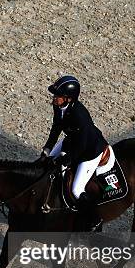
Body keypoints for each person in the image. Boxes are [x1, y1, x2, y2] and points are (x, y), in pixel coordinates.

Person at [41, 75, 109, 210]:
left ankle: (93, 219)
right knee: (47, 164)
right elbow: (56, 128)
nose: (54, 98)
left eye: (58, 95)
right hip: (73, 140)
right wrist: (47, 149)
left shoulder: (80, 115)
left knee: (76, 190)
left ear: (68, 98)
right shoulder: (59, 106)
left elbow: (82, 145)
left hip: (90, 150)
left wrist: (67, 158)